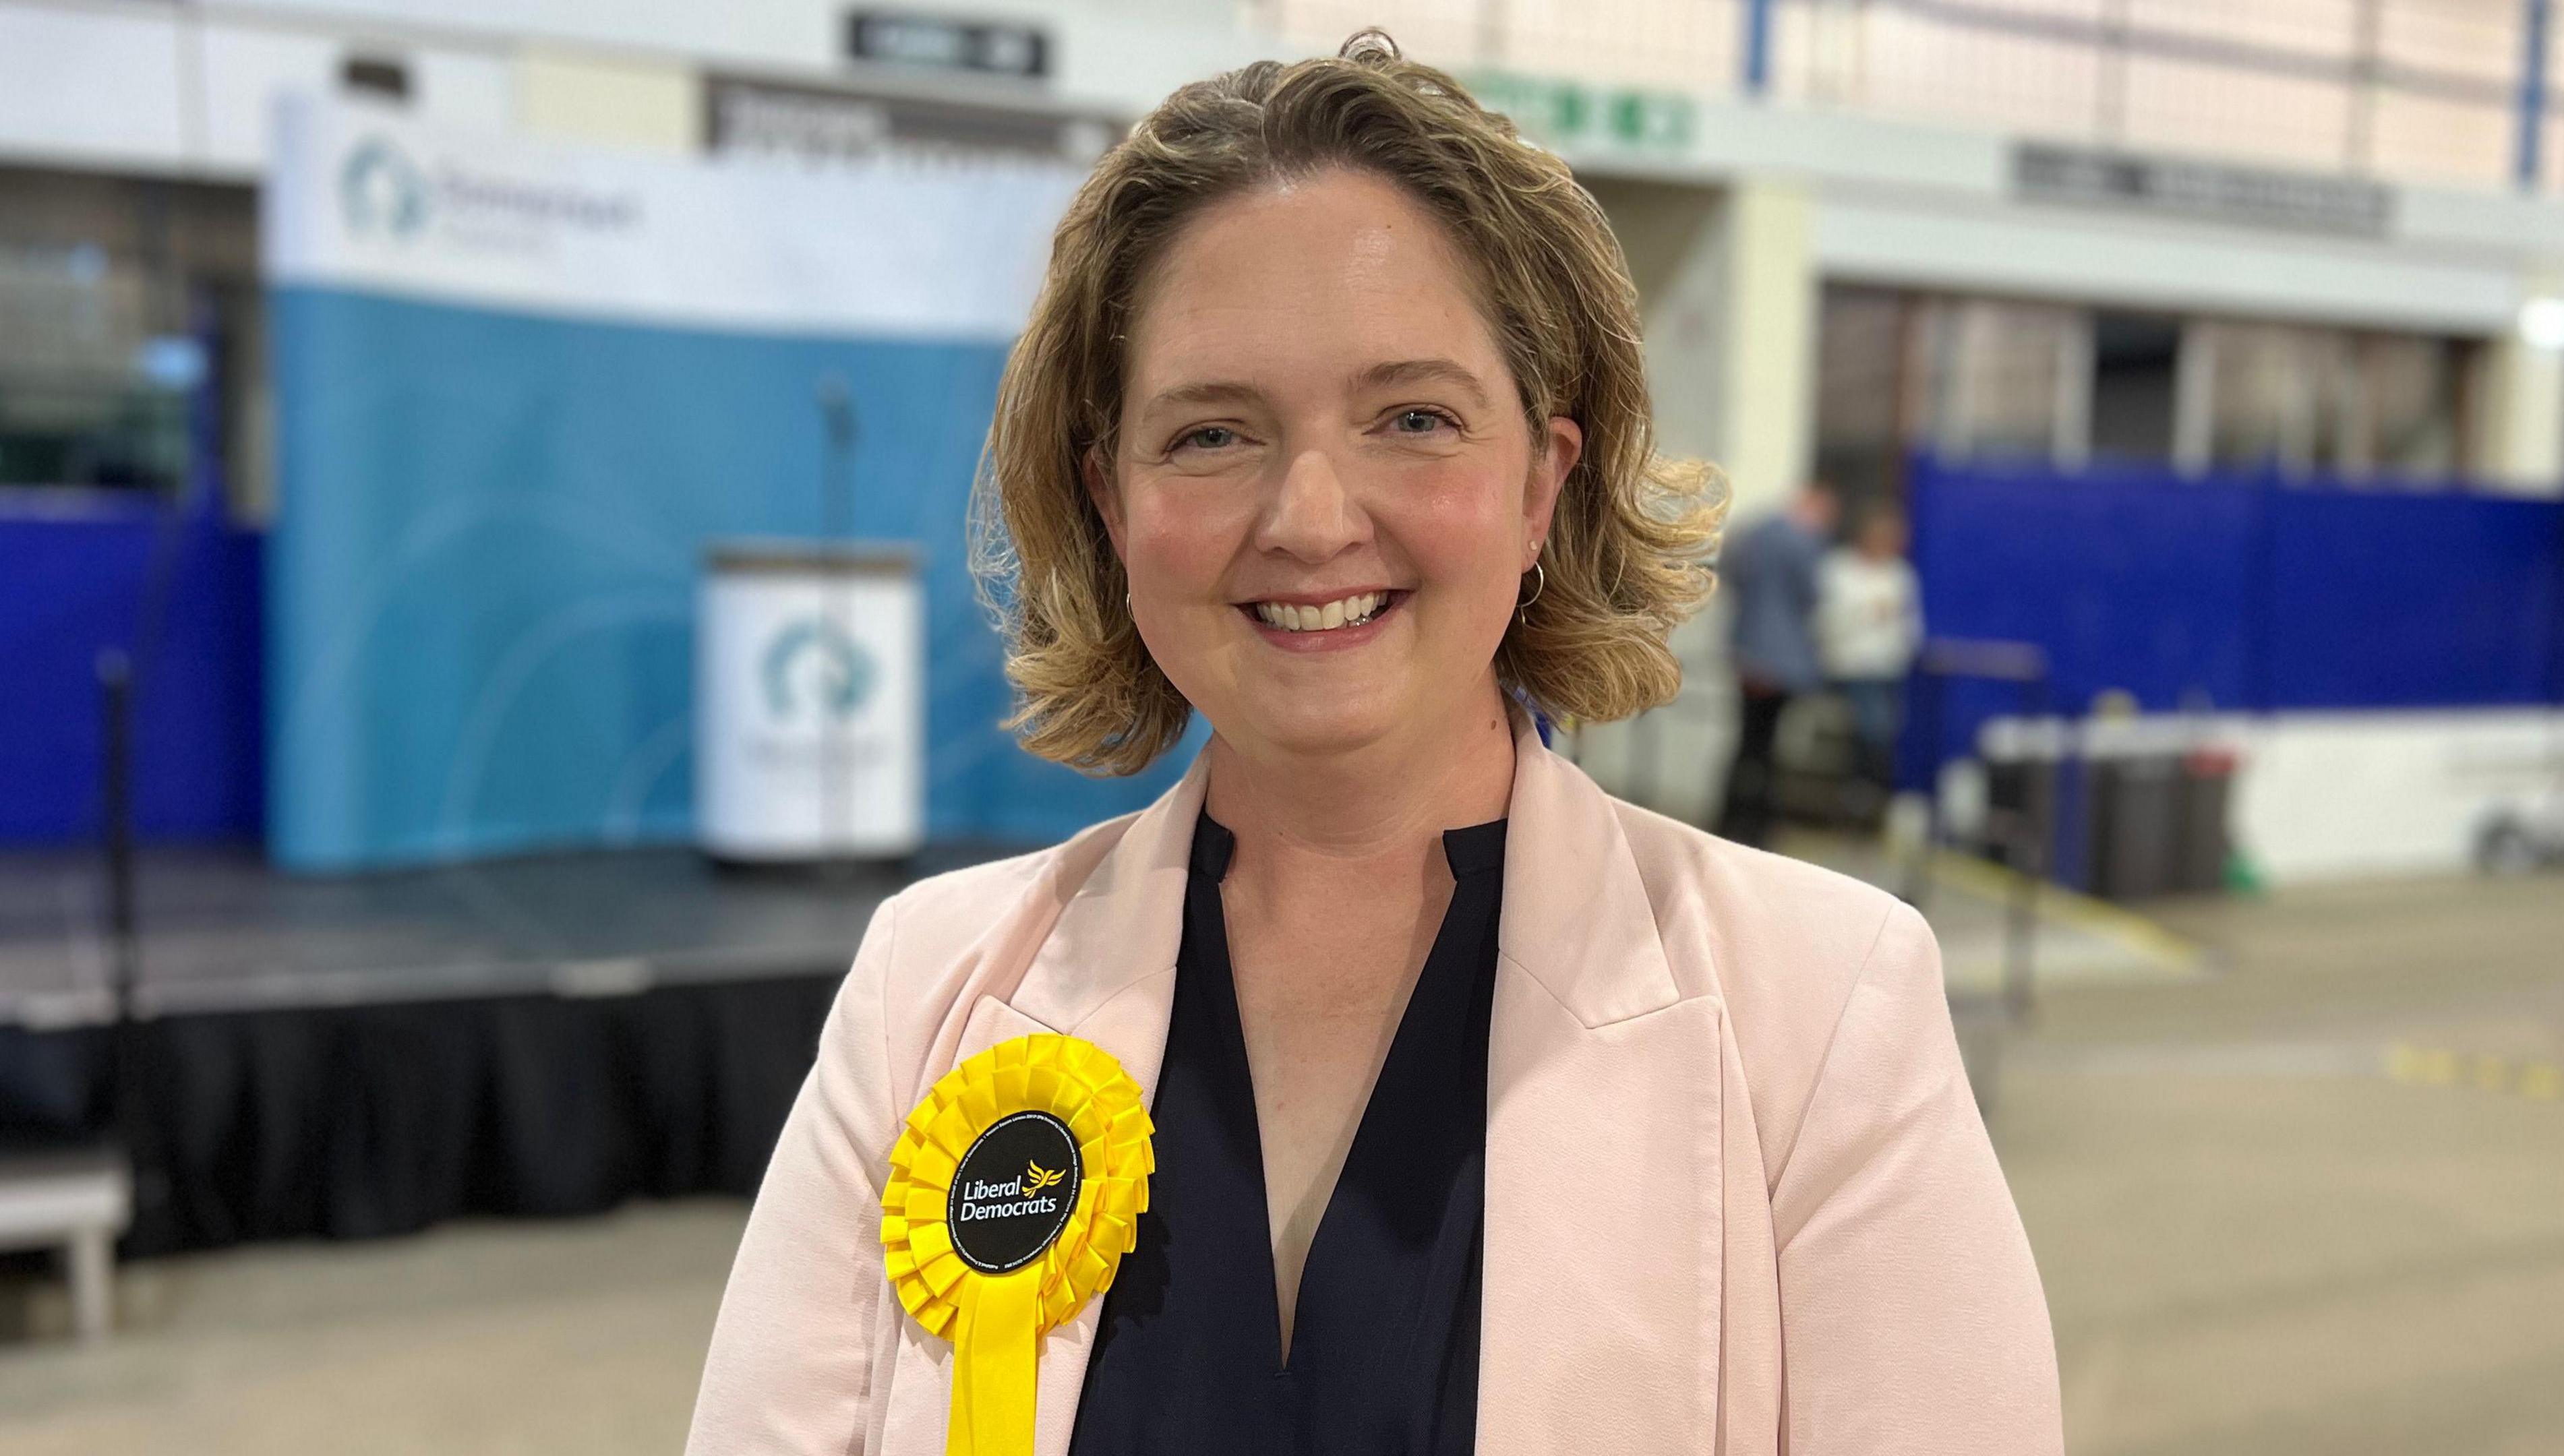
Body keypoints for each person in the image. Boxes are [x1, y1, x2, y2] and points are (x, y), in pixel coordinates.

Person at [686, 34, 2060, 1456]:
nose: (1312, 515)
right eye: (1214, 435)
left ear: (1542, 479)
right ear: (1110, 499)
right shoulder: (930, 993)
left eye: (1414, 417)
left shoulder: (1822, 1010)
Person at [1718, 480, 1837, 846]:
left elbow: (1727, 575)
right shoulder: (1804, 543)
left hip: (1748, 651)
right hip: (1782, 659)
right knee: (1765, 746)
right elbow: (1814, 595)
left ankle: (1732, 818)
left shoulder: (1754, 532)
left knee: (1747, 740)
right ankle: (1757, 825)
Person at [1816, 500, 1923, 803]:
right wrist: (1868, 613)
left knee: (1890, 731)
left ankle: (1872, 793)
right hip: (1850, 666)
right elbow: (1825, 620)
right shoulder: (1838, 568)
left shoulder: (1901, 575)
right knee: (1874, 727)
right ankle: (1860, 790)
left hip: (1889, 668)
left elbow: (1911, 626)